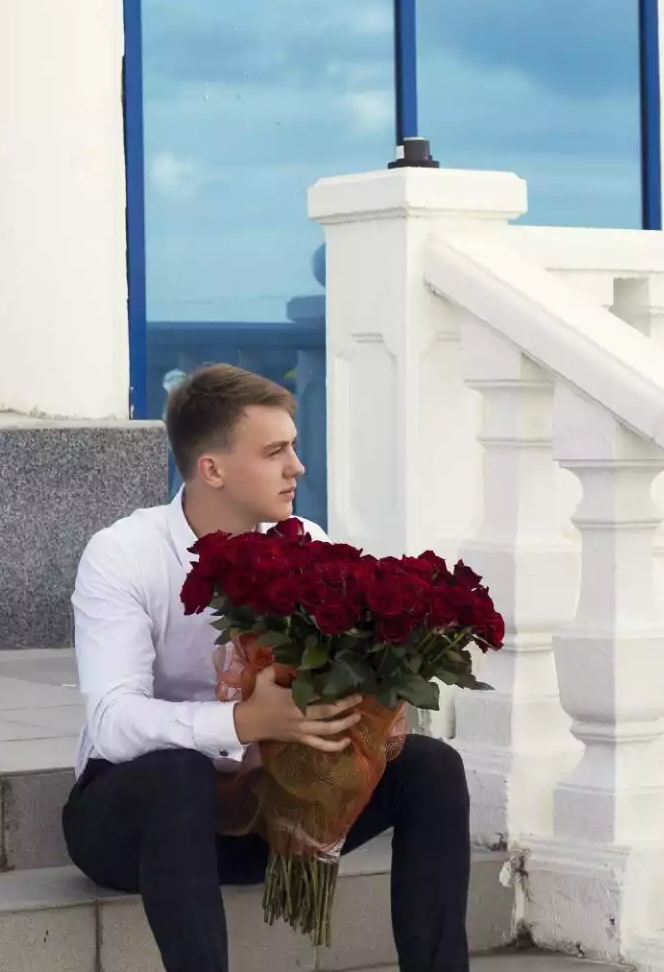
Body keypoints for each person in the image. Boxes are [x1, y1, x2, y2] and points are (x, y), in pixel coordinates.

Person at [62, 364, 471, 971]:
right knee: (179, 773)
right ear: (213, 469)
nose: (297, 467)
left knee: (432, 766)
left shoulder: (304, 539)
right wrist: (246, 722)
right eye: (275, 451)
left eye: (294, 448)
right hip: (138, 829)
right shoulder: (124, 553)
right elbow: (112, 722)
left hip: (267, 816)